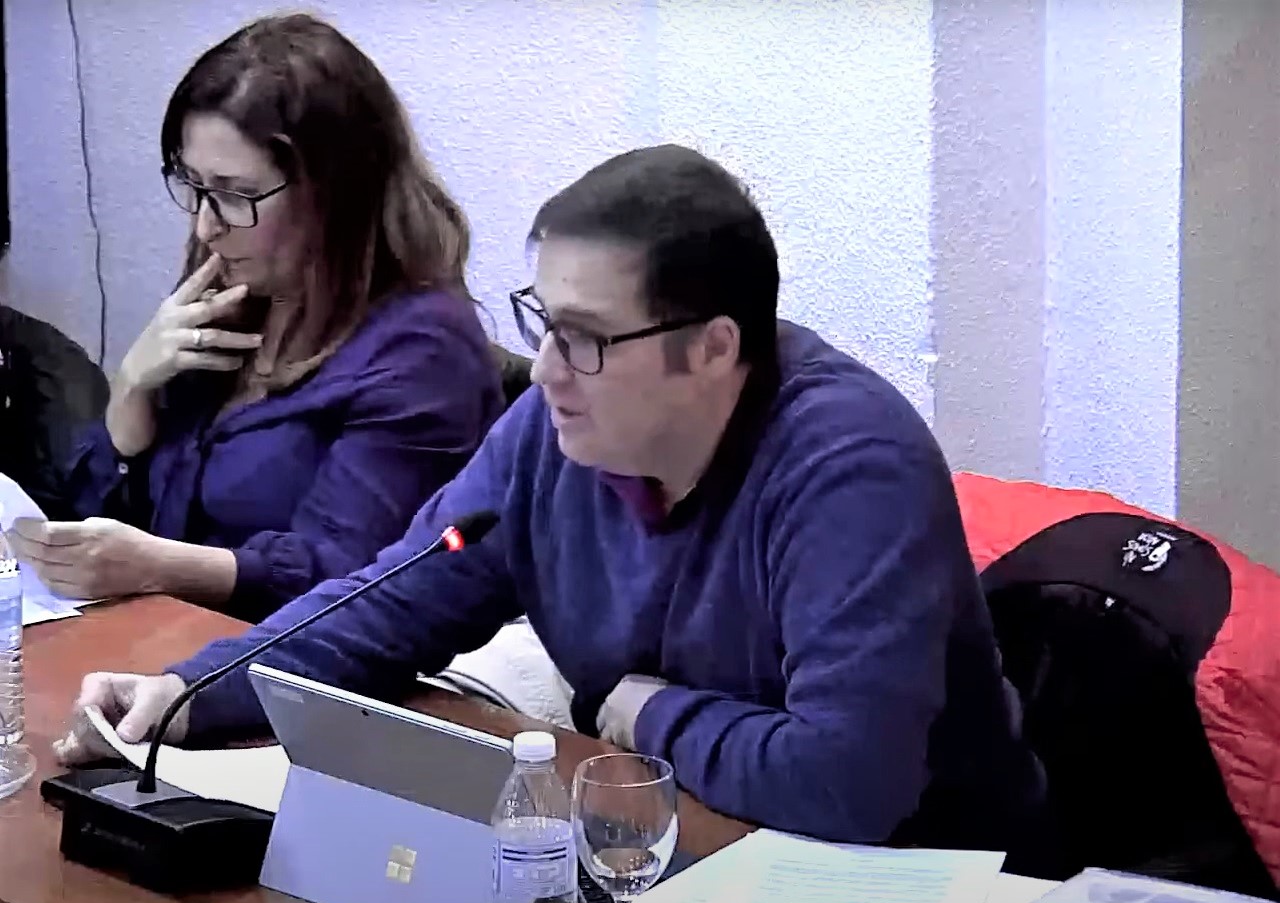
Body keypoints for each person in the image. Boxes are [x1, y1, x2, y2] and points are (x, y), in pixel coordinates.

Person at [56, 144, 1044, 851]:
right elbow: (389, 606)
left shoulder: (848, 467)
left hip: (916, 888)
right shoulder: (553, 434)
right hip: (674, 848)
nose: (547, 369)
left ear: (713, 349)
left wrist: (647, 714)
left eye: (586, 337)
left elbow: (845, 786)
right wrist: (189, 692)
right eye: (542, 320)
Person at [7, 14, 502, 622]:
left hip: (299, 662)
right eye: (193, 185)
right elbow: (93, 531)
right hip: (158, 637)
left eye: (234, 194)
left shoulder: (426, 351)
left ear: (335, 194)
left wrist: (161, 565)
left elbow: (348, 579)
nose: (205, 226)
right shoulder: (231, 286)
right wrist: (131, 399)